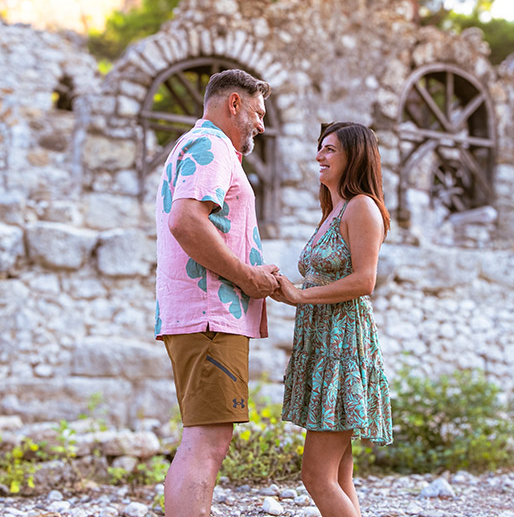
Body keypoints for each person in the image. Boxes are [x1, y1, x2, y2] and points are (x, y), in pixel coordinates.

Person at [154, 69, 280, 517]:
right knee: (208, 438)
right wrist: (247, 277)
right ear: (233, 104)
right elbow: (187, 222)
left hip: (201, 313)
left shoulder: (197, 146)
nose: (261, 125)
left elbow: (207, 226)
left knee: (206, 434)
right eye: (258, 113)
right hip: (209, 314)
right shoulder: (212, 147)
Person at [272, 121, 393, 517]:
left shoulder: (362, 207)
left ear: (353, 156)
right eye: (320, 148)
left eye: (330, 150)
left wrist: (301, 295)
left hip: (342, 344)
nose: (319, 157)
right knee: (339, 474)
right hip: (322, 342)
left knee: (316, 476)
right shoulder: (334, 208)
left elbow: (364, 280)